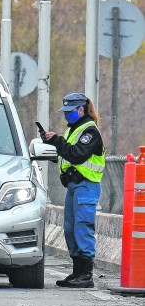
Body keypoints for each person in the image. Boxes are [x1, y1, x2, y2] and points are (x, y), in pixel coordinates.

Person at [41, 92, 104, 289]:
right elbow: (66, 155)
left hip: (86, 186)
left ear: (81, 109)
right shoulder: (73, 130)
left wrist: (58, 141)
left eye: (70, 111)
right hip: (74, 187)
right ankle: (77, 272)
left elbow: (76, 155)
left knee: (82, 227)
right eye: (65, 111)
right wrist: (53, 144)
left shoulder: (90, 131)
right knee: (70, 229)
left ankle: (86, 275)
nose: (66, 115)